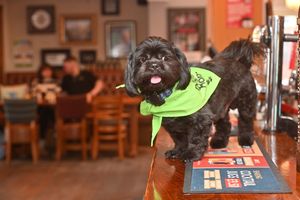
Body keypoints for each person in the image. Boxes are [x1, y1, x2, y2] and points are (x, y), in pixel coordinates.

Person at [32, 64, 60, 143]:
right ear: (41, 72)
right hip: (39, 107)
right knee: (44, 113)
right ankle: (48, 138)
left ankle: (46, 139)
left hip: (54, 106)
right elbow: (34, 94)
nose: (47, 72)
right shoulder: (36, 81)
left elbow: (59, 93)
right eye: (45, 71)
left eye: (49, 70)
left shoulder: (56, 81)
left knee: (49, 112)